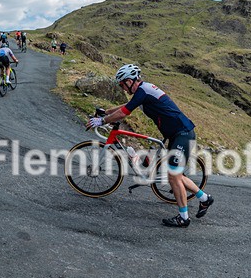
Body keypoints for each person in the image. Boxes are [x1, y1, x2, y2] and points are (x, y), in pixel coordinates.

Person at [86, 64, 214, 227]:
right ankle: (205, 198)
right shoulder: (143, 91)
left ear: (129, 80)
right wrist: (107, 112)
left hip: (182, 134)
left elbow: (124, 112)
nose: (123, 88)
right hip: (175, 134)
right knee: (176, 175)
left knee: (173, 176)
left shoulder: (143, 91)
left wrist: (102, 120)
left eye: (122, 84)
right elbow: (125, 107)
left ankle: (184, 218)